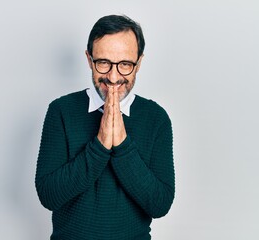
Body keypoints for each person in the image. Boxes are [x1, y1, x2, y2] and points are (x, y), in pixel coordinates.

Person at [35, 14, 175, 240]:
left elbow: (160, 204)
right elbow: (48, 195)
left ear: (138, 63)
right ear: (89, 60)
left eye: (125, 65)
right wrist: (99, 145)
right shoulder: (61, 111)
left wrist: (122, 146)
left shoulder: (156, 119)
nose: (113, 76)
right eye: (103, 63)